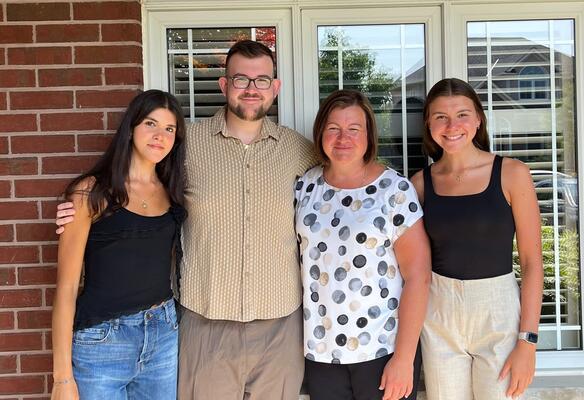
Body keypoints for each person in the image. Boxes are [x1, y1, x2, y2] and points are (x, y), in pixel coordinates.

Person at [56, 40, 317, 400]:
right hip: (204, 325)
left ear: (275, 87)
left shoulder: (299, 149)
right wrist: (80, 207)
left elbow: (346, 172)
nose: (251, 89)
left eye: (261, 80)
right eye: (241, 79)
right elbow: (134, 179)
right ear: (224, 85)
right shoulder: (184, 143)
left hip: (279, 326)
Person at [411, 78, 543, 400]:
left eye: (462, 114)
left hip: (498, 312)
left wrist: (527, 341)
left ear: (478, 119)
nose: (452, 125)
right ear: (429, 124)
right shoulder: (420, 184)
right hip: (439, 313)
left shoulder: (511, 173)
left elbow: (531, 262)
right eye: (440, 116)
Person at [295, 89, 431, 400]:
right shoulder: (305, 187)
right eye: (333, 128)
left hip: (382, 350)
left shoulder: (394, 190)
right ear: (320, 133)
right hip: (321, 353)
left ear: (369, 134)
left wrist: (404, 358)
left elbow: (419, 276)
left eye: (354, 129)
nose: (343, 138)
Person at [51, 90, 187, 400]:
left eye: (169, 129)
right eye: (151, 124)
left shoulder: (172, 191)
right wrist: (62, 378)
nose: (160, 136)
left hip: (162, 334)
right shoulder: (92, 193)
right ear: (131, 129)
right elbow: (67, 288)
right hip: (102, 341)